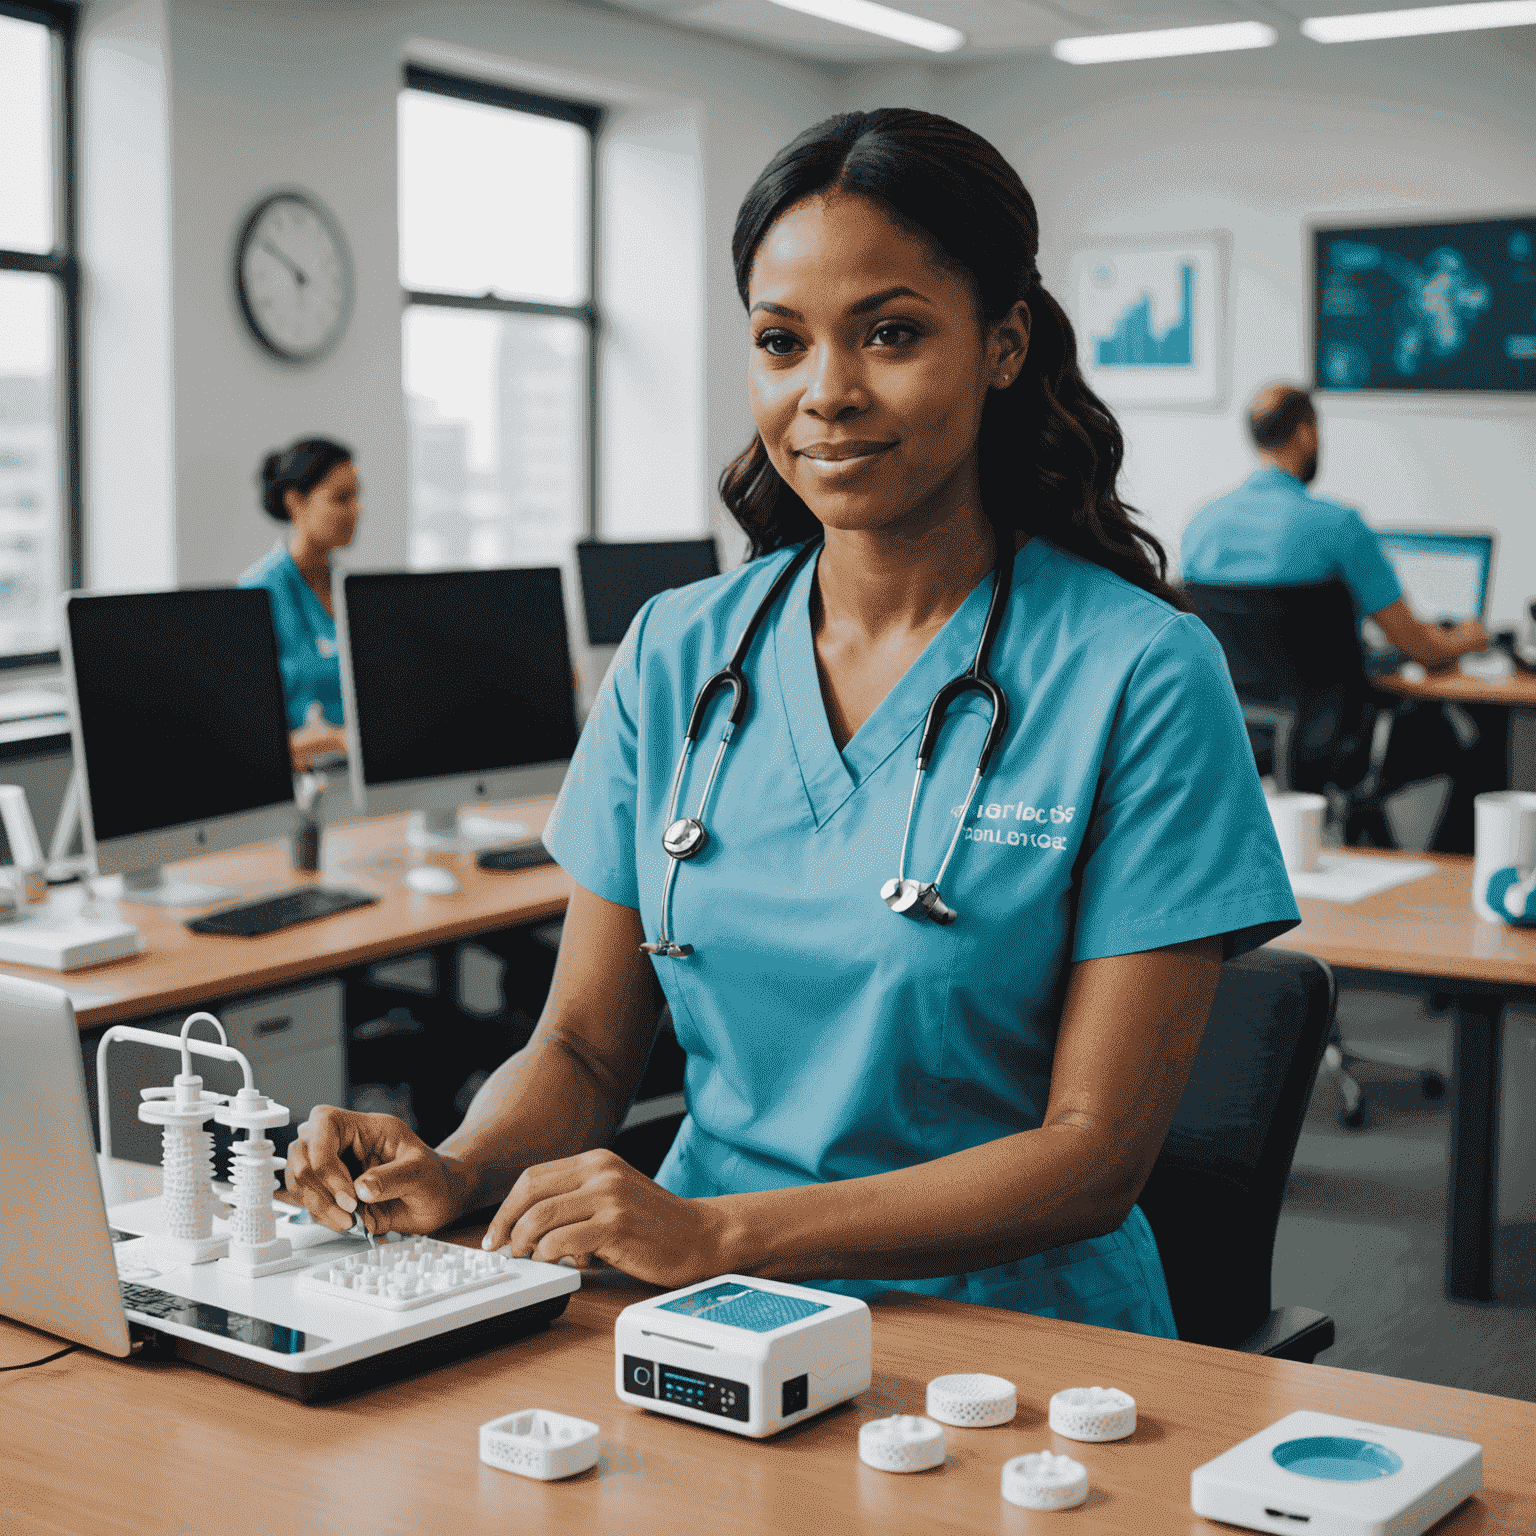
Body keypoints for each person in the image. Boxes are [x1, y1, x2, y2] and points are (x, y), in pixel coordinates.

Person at [282, 110, 1299, 1337]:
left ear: (1004, 345)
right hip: (702, 1319)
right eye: (781, 341)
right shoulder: (677, 651)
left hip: (1012, 1348)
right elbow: (586, 1054)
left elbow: (1094, 1156)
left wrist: (719, 1231)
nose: (828, 392)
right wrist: (456, 1164)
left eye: (893, 333)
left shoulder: (1140, 671)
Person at [1182, 385, 1495, 851]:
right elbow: (1419, 648)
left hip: (1239, 737)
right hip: (1336, 744)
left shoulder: (1200, 528)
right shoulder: (1339, 527)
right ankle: (1456, 888)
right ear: (1307, 432)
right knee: (1476, 742)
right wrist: (1469, 638)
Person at [240, 437, 359, 771]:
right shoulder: (259, 591)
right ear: (296, 502)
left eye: (356, 497)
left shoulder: (348, 589)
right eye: (341, 498)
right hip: (301, 782)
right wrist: (336, 740)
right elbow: (250, 736)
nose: (355, 510)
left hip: (356, 777)